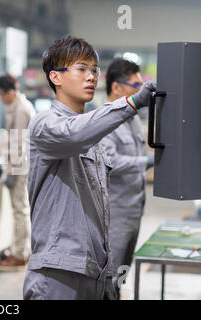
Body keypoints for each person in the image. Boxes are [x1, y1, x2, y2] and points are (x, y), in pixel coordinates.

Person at [23, 36, 156, 300]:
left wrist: (106, 277)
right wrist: (132, 103)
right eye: (81, 69)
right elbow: (74, 135)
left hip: (93, 271)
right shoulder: (45, 125)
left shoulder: (91, 137)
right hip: (58, 271)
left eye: (94, 70)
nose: (91, 76)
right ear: (56, 77)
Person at [102, 58, 154, 298]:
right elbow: (111, 162)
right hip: (116, 211)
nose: (139, 91)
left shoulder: (131, 119)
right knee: (109, 275)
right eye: (135, 86)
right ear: (116, 87)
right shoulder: (104, 121)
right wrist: (148, 162)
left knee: (123, 270)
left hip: (135, 208)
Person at [0, 74, 36, 270]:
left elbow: (18, 143)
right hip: (17, 164)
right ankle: (20, 249)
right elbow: (8, 137)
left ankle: (20, 254)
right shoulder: (15, 107)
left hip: (20, 166)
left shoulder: (21, 109)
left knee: (20, 210)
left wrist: (12, 172)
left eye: (0, 93)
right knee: (19, 209)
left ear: (9, 92)